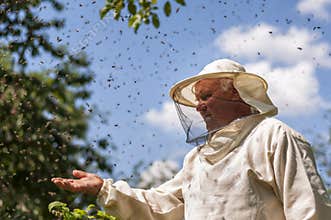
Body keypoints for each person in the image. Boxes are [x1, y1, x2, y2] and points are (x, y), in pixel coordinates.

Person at [52, 59, 331, 220]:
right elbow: (161, 206)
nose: (199, 107)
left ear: (235, 93)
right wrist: (104, 189)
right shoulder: (196, 160)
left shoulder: (273, 136)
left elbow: (309, 211)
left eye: (206, 96)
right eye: (197, 100)